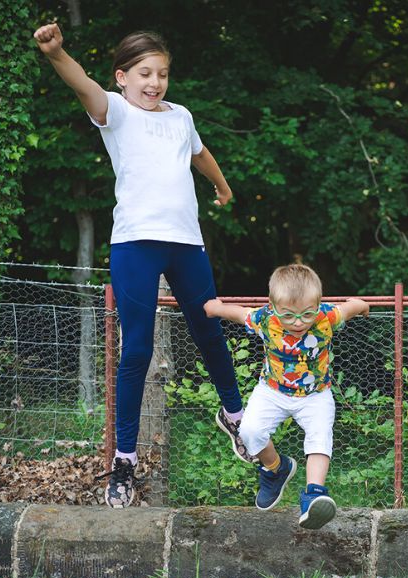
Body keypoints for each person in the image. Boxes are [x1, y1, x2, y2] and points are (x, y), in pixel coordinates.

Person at [34, 23, 254, 508]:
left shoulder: (181, 116)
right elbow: (82, 84)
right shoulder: (115, 113)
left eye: (162, 74)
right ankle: (125, 463)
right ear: (123, 77)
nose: (154, 83)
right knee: (136, 351)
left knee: (210, 331)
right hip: (135, 244)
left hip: (186, 244)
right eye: (144, 74)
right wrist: (56, 53)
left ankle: (237, 420)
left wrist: (222, 187)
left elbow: (199, 153)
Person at [204, 264, 369, 529]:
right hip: (271, 392)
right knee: (248, 431)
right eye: (289, 315)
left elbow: (348, 308)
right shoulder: (265, 318)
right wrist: (216, 309)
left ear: (318, 304)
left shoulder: (327, 317)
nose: (298, 322)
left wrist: (361, 306)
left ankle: (314, 494)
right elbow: (240, 314)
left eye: (307, 314)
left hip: (316, 395)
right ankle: (275, 469)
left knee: (320, 434)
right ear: (273, 306)